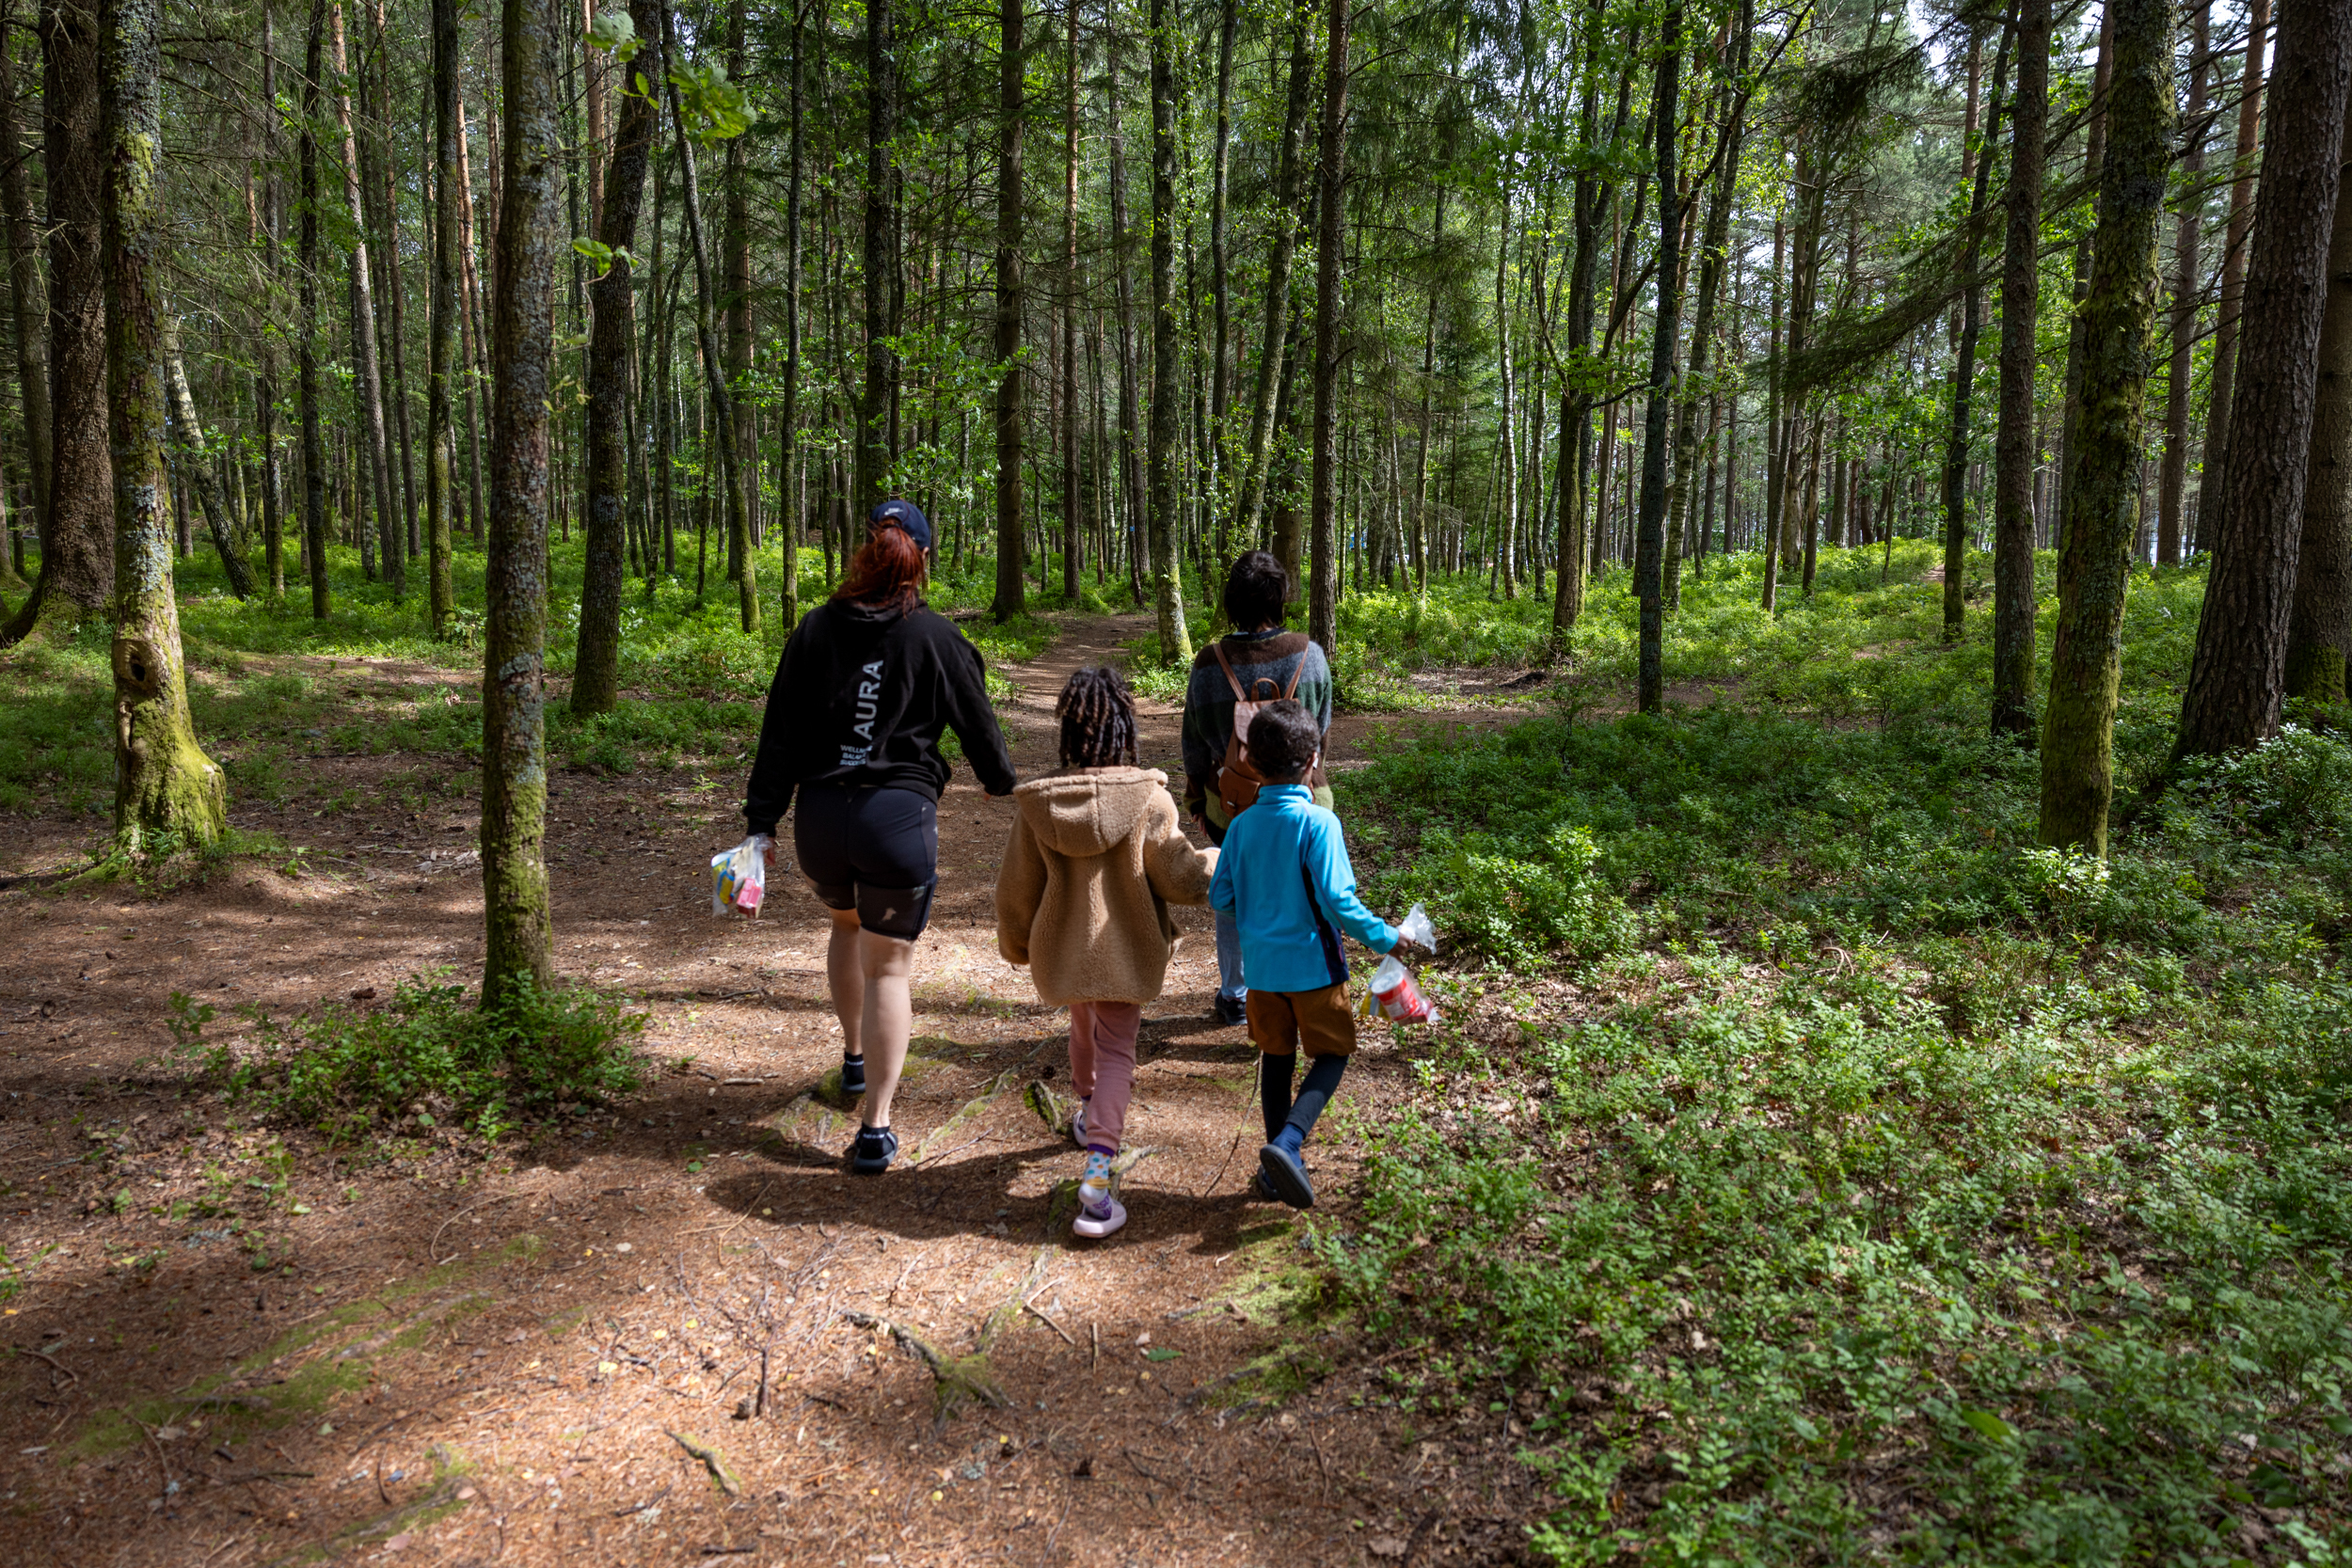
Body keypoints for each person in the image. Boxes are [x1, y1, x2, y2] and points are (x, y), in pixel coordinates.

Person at [742, 499, 1017, 1175]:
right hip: (895, 822)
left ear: (867, 552)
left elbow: (779, 734)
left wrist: (760, 822)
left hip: (821, 822)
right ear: (920, 559)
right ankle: (875, 1129)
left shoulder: (812, 631)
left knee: (844, 928)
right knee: (889, 964)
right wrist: (999, 779)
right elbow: (980, 723)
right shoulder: (936, 636)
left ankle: (854, 1058)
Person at [996, 668, 1217, 1240]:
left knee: (1082, 1021)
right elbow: (1180, 876)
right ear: (1126, 727)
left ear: (1069, 731)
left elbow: (1017, 890)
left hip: (1064, 955)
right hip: (1126, 955)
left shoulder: (1039, 807)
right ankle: (1097, 1180)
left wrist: (1018, 944)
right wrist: (1220, 860)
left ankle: (1089, 1109)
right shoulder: (1150, 800)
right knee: (1117, 1048)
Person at [1208, 700, 1417, 1210]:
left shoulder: (1240, 827)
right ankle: (1288, 1144)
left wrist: (1260, 916)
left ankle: (1277, 1170)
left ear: (1251, 763)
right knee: (1333, 1054)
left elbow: (1221, 898)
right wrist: (1389, 938)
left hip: (1261, 974)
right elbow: (1338, 902)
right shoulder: (1319, 824)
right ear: (1313, 760)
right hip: (1315, 971)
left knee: (1276, 1059)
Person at [1180, 551, 1335, 1027]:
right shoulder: (1310, 654)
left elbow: (1194, 740)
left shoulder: (1209, 663)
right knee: (1307, 891)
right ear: (1280, 598)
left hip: (1232, 804)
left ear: (1232, 602)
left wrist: (1195, 796)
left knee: (1235, 893)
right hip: (1306, 798)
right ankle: (1303, 989)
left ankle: (1236, 994)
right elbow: (1322, 733)